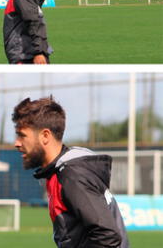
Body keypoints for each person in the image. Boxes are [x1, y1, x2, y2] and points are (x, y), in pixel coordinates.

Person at [13, 97, 129, 248]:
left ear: (45, 136)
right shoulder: (63, 170)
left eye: (22, 135)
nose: (17, 143)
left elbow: (107, 237)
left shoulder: (72, 175)